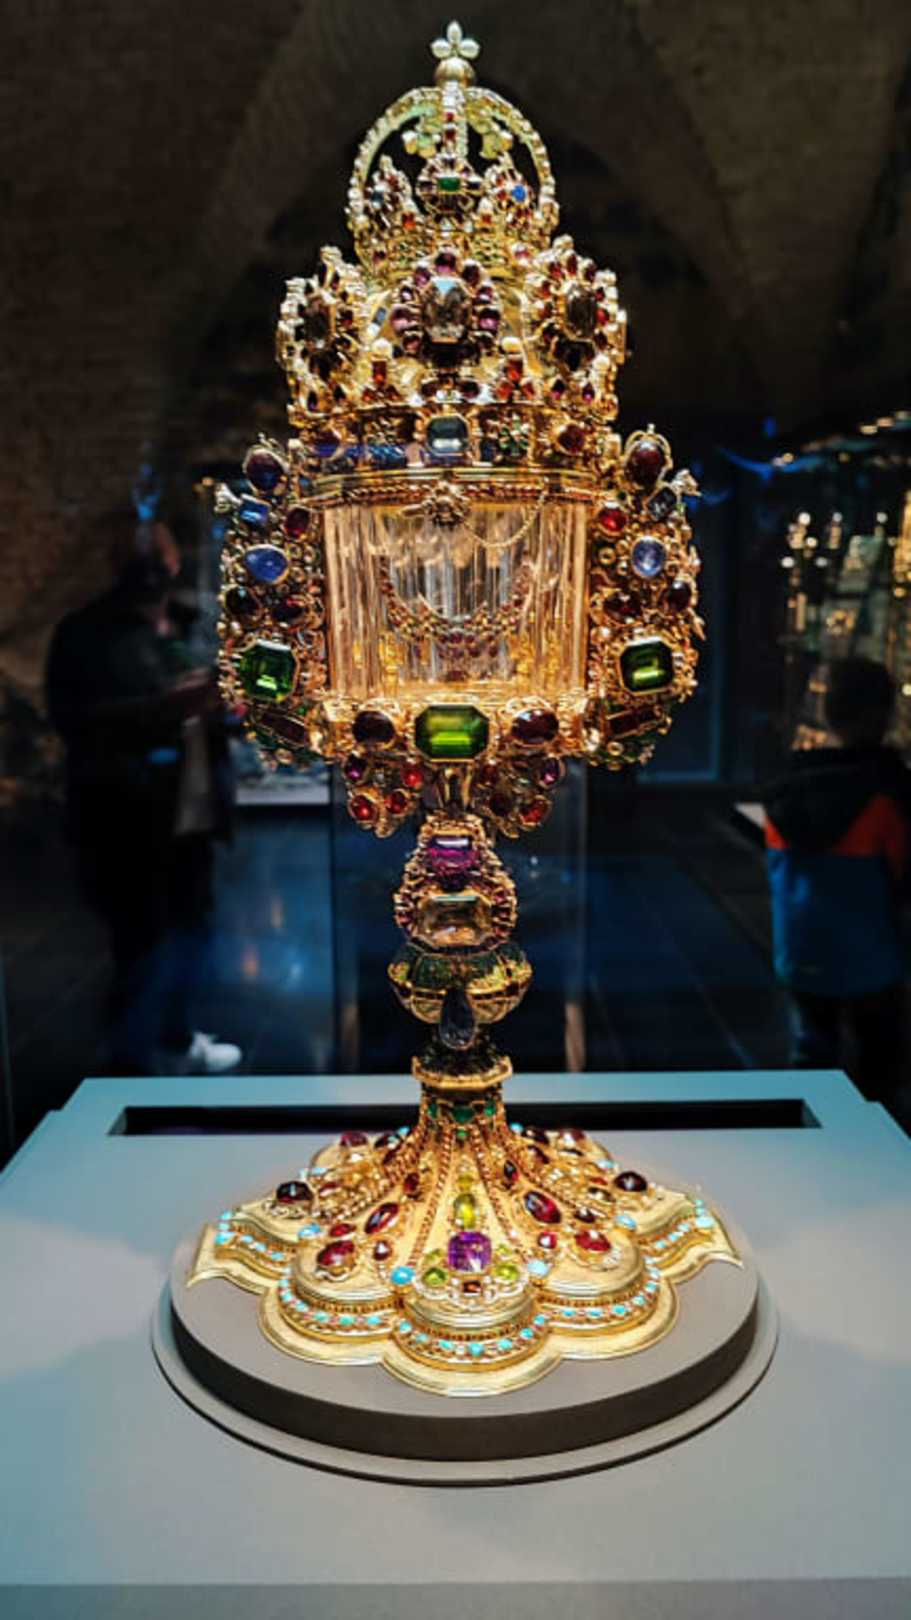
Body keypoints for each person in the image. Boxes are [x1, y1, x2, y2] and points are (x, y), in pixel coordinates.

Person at [46, 511, 241, 1076]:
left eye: (159, 557)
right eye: (140, 560)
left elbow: (221, 700)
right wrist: (168, 706)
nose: (153, 570)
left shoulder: (189, 622)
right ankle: (131, 1067)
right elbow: (77, 720)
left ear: (175, 559)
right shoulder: (85, 634)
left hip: (193, 808)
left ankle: (176, 1039)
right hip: (125, 813)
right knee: (140, 941)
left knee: (193, 928)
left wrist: (225, 708)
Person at [764, 657, 911, 1106]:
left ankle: (813, 1137)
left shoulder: (785, 786)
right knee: (879, 1065)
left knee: (811, 1056)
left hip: (801, 951)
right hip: (873, 958)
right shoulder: (888, 794)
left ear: (826, 713)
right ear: (886, 715)